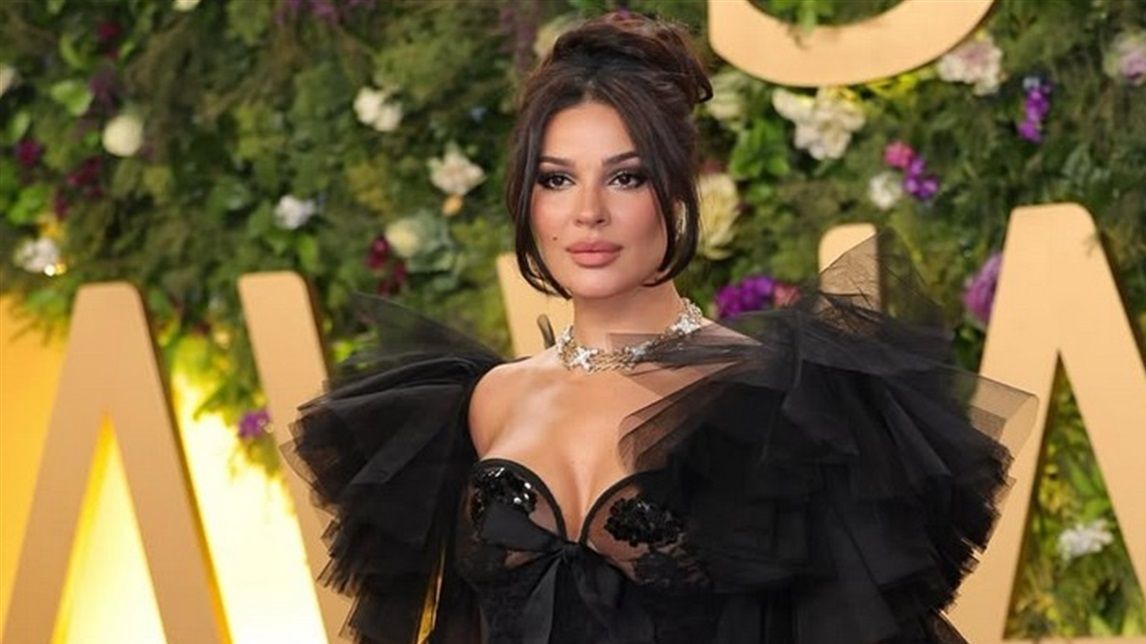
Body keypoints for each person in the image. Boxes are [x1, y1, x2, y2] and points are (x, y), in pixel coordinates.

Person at [281, 11, 1038, 644]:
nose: (588, 213)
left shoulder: (771, 399)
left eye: (626, 176)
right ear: (527, 197)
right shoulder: (486, 402)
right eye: (557, 179)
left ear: (676, 190)